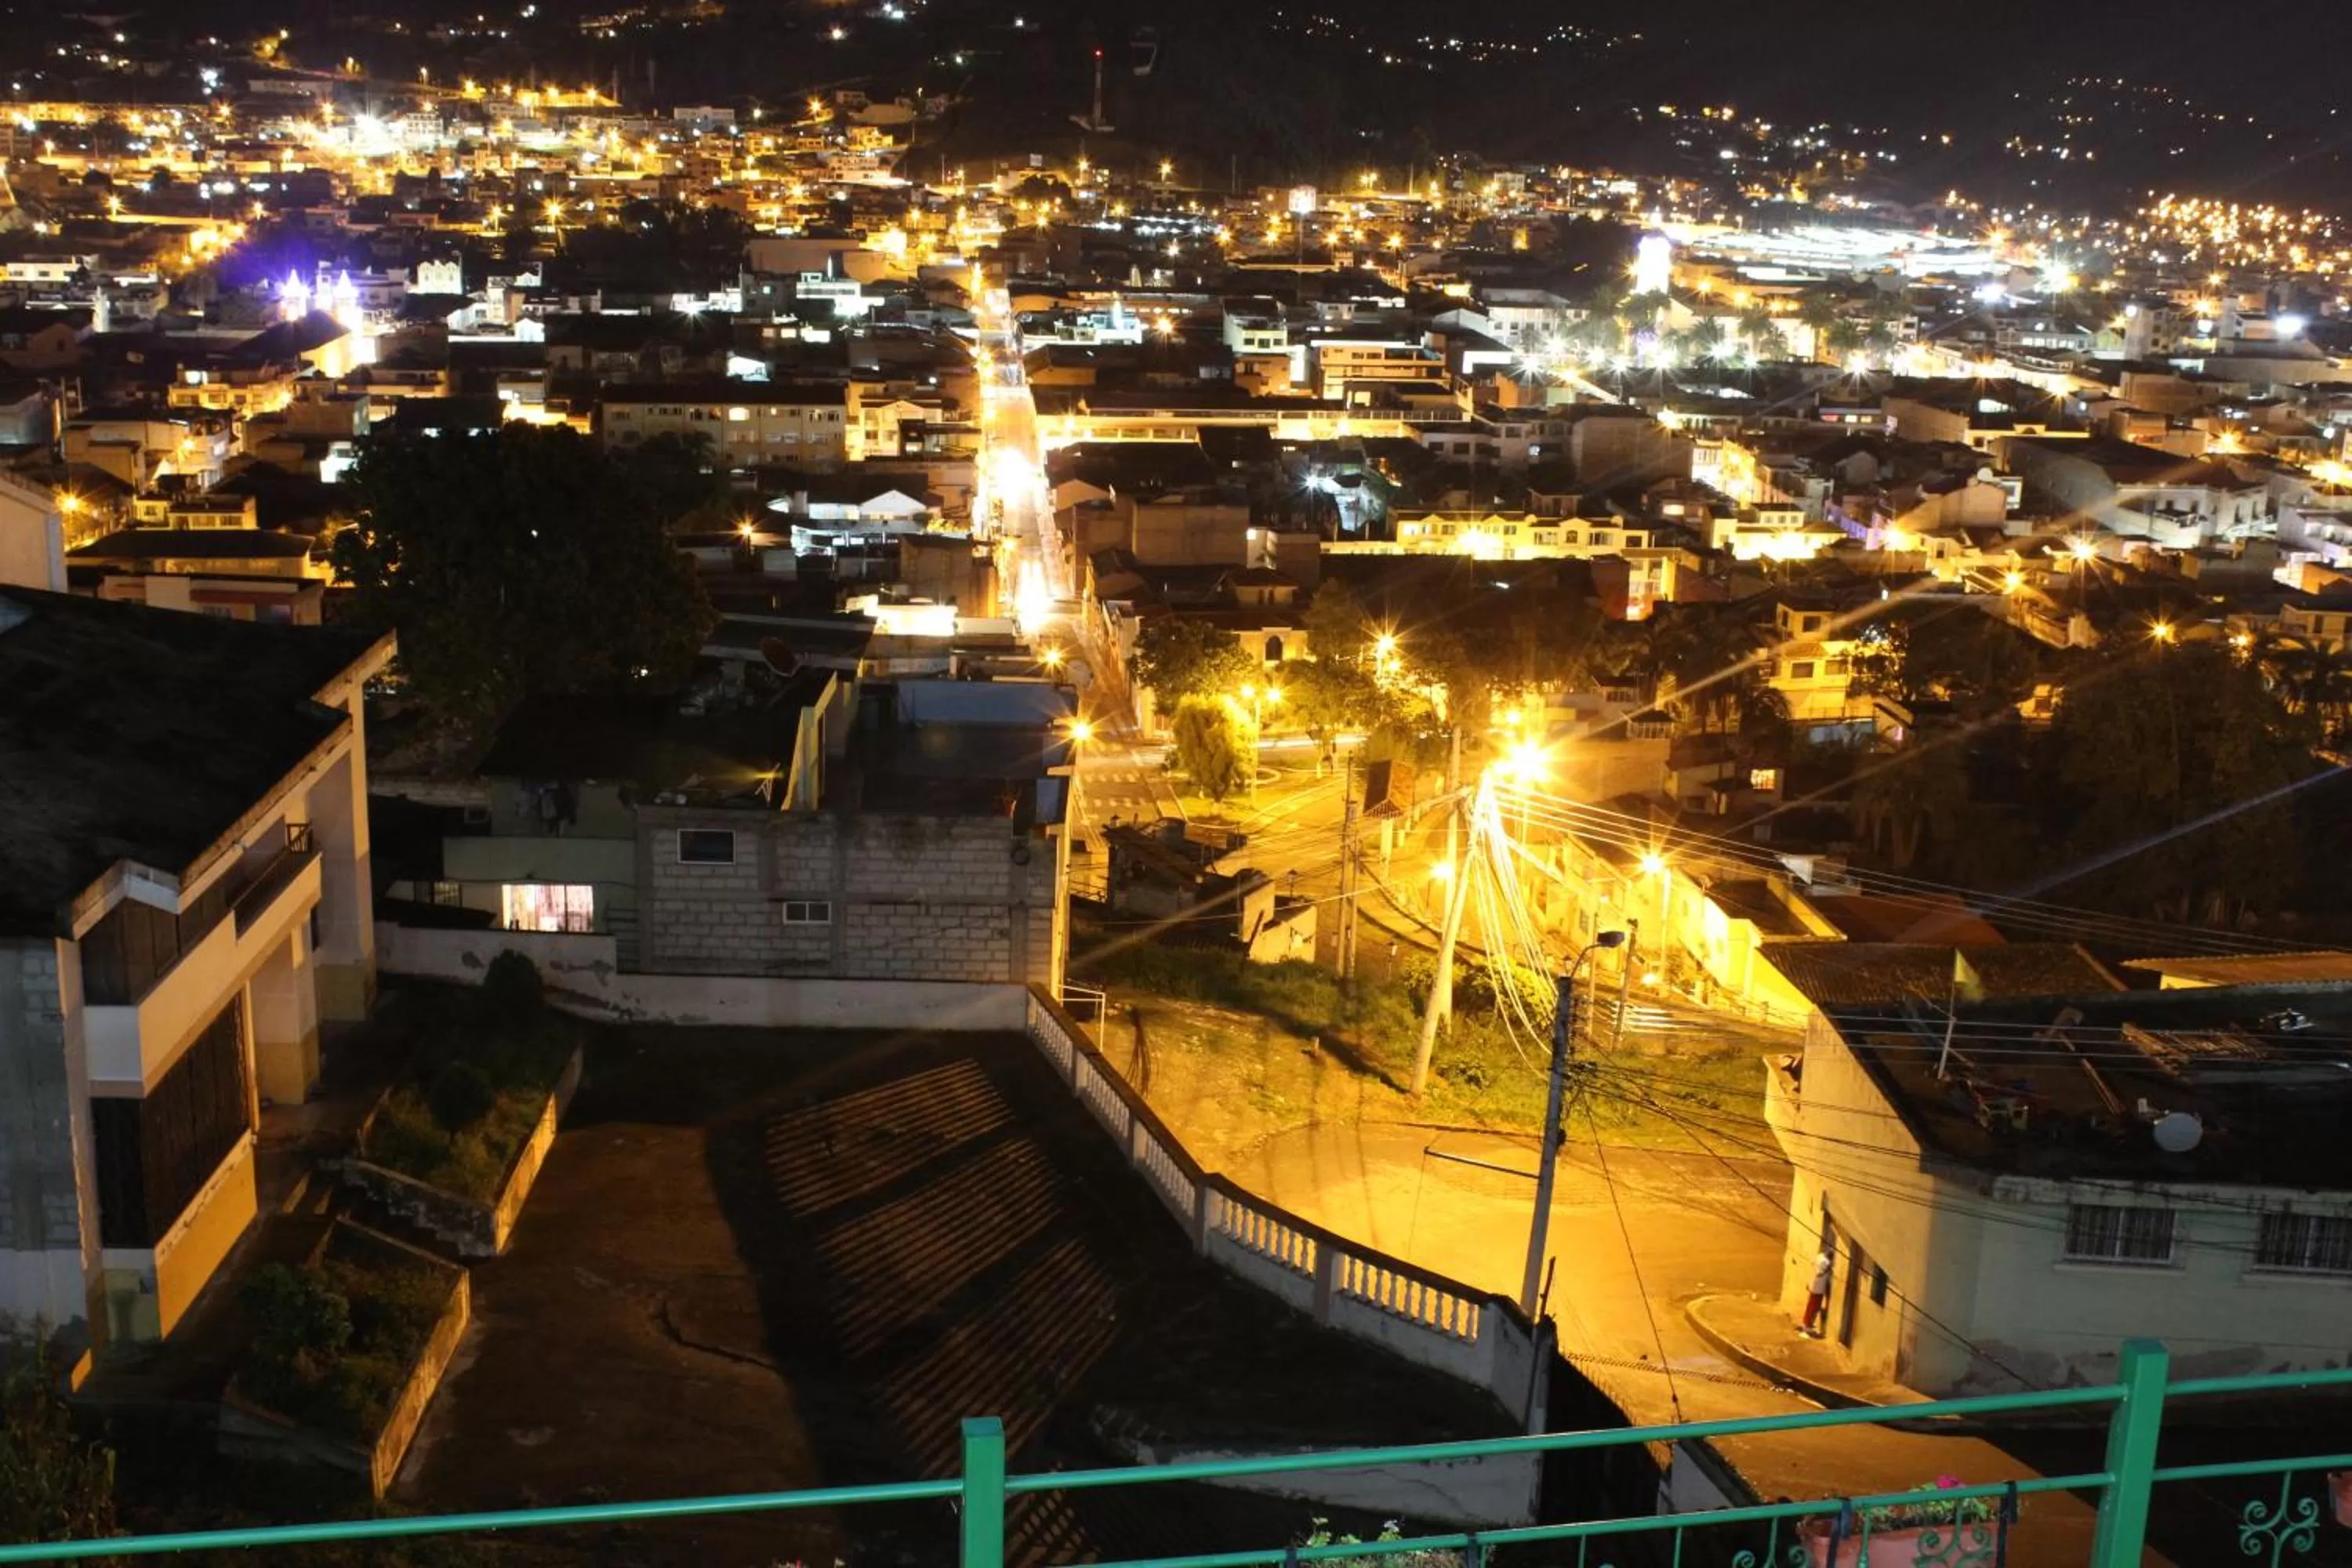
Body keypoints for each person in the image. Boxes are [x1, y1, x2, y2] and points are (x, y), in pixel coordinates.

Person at [1801, 1248, 1834, 1338]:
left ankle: (1806, 1323)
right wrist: (1827, 1270)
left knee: (1810, 1306)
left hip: (1813, 1285)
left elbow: (1812, 1263)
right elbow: (1820, 1273)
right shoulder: (1826, 1262)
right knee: (1814, 1307)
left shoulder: (1819, 1256)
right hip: (1819, 1288)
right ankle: (1808, 1325)